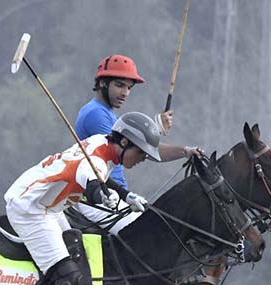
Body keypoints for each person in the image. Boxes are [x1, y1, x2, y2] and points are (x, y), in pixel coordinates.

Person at [4, 112, 162, 285]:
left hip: (51, 208)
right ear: (124, 142)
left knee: (80, 261)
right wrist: (103, 197)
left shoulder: (103, 146)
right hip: (30, 208)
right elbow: (91, 180)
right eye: (142, 153)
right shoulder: (96, 161)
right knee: (67, 279)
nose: (143, 159)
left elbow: (100, 178)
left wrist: (125, 195)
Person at [74, 54, 203, 233]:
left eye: (129, 87)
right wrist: (155, 130)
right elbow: (131, 148)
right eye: (119, 85)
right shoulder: (95, 114)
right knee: (150, 235)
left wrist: (185, 151)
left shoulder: (108, 113)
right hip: (99, 197)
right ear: (103, 83)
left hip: (116, 195)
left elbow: (142, 150)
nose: (125, 93)